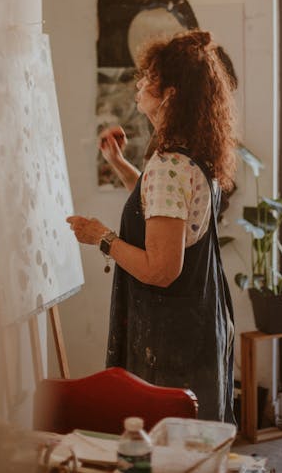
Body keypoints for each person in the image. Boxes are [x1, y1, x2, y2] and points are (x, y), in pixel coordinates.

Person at [67, 29, 237, 423]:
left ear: (171, 95)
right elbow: (162, 211)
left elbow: (161, 271)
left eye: (149, 78)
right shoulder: (190, 157)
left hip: (170, 338)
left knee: (164, 445)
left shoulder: (168, 167)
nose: (139, 84)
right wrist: (120, 164)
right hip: (198, 326)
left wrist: (102, 237)